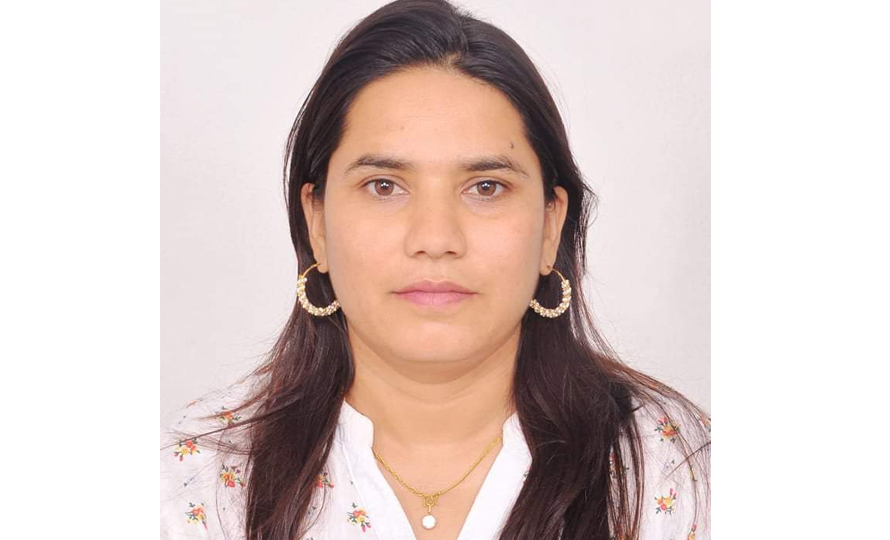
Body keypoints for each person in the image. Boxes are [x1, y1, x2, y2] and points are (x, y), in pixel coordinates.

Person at [160, 0, 711, 539]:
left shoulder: (678, 470)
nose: (435, 239)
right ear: (317, 222)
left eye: (486, 188)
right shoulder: (191, 484)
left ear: (550, 226)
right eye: (384, 187)